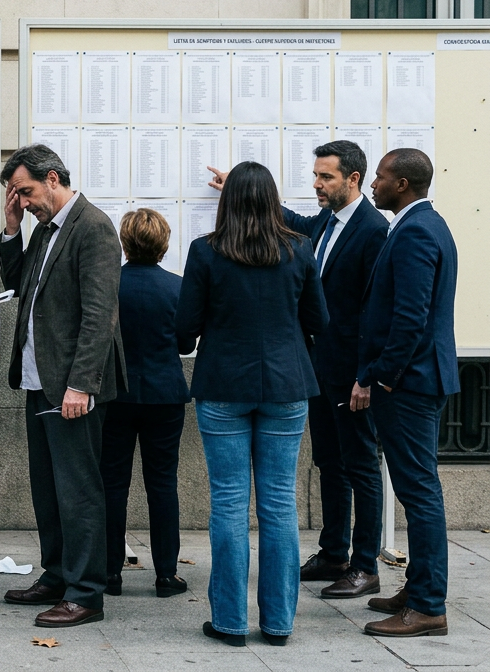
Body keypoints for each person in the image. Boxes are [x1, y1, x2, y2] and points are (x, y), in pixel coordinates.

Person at [209, 140, 388, 599]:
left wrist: (366, 375)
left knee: (361, 465)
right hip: (316, 370)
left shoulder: (372, 230)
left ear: (354, 180)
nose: (317, 184)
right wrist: (245, 192)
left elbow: (376, 310)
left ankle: (365, 564)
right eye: (316, 175)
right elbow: (292, 222)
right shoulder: (327, 221)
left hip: (352, 372)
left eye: (326, 177)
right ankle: (334, 552)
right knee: (329, 461)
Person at [177, 161, 326, 647]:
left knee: (228, 504)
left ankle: (230, 622)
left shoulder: (206, 252)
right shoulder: (299, 249)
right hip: (286, 386)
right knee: (280, 505)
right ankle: (279, 623)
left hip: (223, 386)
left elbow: (184, 331)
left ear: (228, 200)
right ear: (271, 199)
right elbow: (318, 321)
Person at [0, 144, 125, 629]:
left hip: (71, 387)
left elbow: (99, 316)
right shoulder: (46, 229)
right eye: (17, 195)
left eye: (26, 192)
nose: (24, 202)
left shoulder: (92, 226)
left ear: (53, 179)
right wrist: (12, 230)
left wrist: (80, 385)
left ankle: (86, 592)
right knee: (48, 488)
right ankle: (57, 574)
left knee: (79, 490)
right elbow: (18, 286)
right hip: (39, 380)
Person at [353, 148, 457, 638]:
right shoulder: (425, 224)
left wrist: (384, 375)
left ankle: (428, 605)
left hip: (410, 382)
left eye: (380, 177)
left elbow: (411, 317)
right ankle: (418, 588)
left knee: (419, 492)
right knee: (419, 488)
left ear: (402, 184)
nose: (373, 185)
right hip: (415, 378)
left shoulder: (416, 230)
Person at [100, 208, 192, 599]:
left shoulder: (107, 286)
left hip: (116, 395)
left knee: (111, 485)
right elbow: (187, 344)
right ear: (165, 243)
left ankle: (109, 574)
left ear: (123, 243)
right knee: (162, 483)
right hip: (165, 396)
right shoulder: (178, 287)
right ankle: (166, 575)